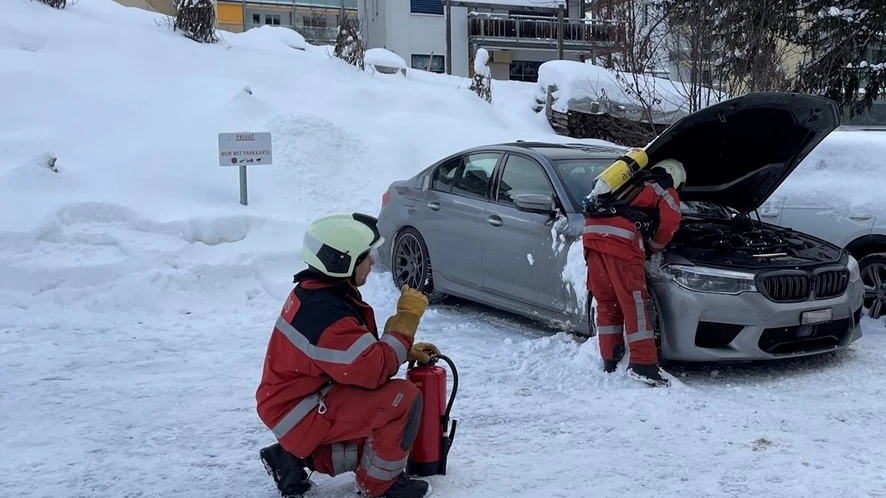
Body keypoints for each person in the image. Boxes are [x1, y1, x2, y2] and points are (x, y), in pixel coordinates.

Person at [255, 212, 440, 498]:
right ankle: (381, 486)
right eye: (366, 256)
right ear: (343, 262)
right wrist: (406, 320)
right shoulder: (327, 314)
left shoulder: (319, 292)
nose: (372, 262)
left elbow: (353, 358)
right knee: (401, 400)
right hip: (298, 410)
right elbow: (374, 370)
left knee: (377, 437)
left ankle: (290, 458)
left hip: (295, 402)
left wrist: (403, 351)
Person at [582, 159, 685, 387]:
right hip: (621, 242)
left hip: (592, 237)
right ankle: (642, 364)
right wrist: (653, 247)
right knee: (634, 302)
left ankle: (610, 357)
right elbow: (670, 222)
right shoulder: (663, 187)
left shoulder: (627, 182)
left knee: (607, 300)